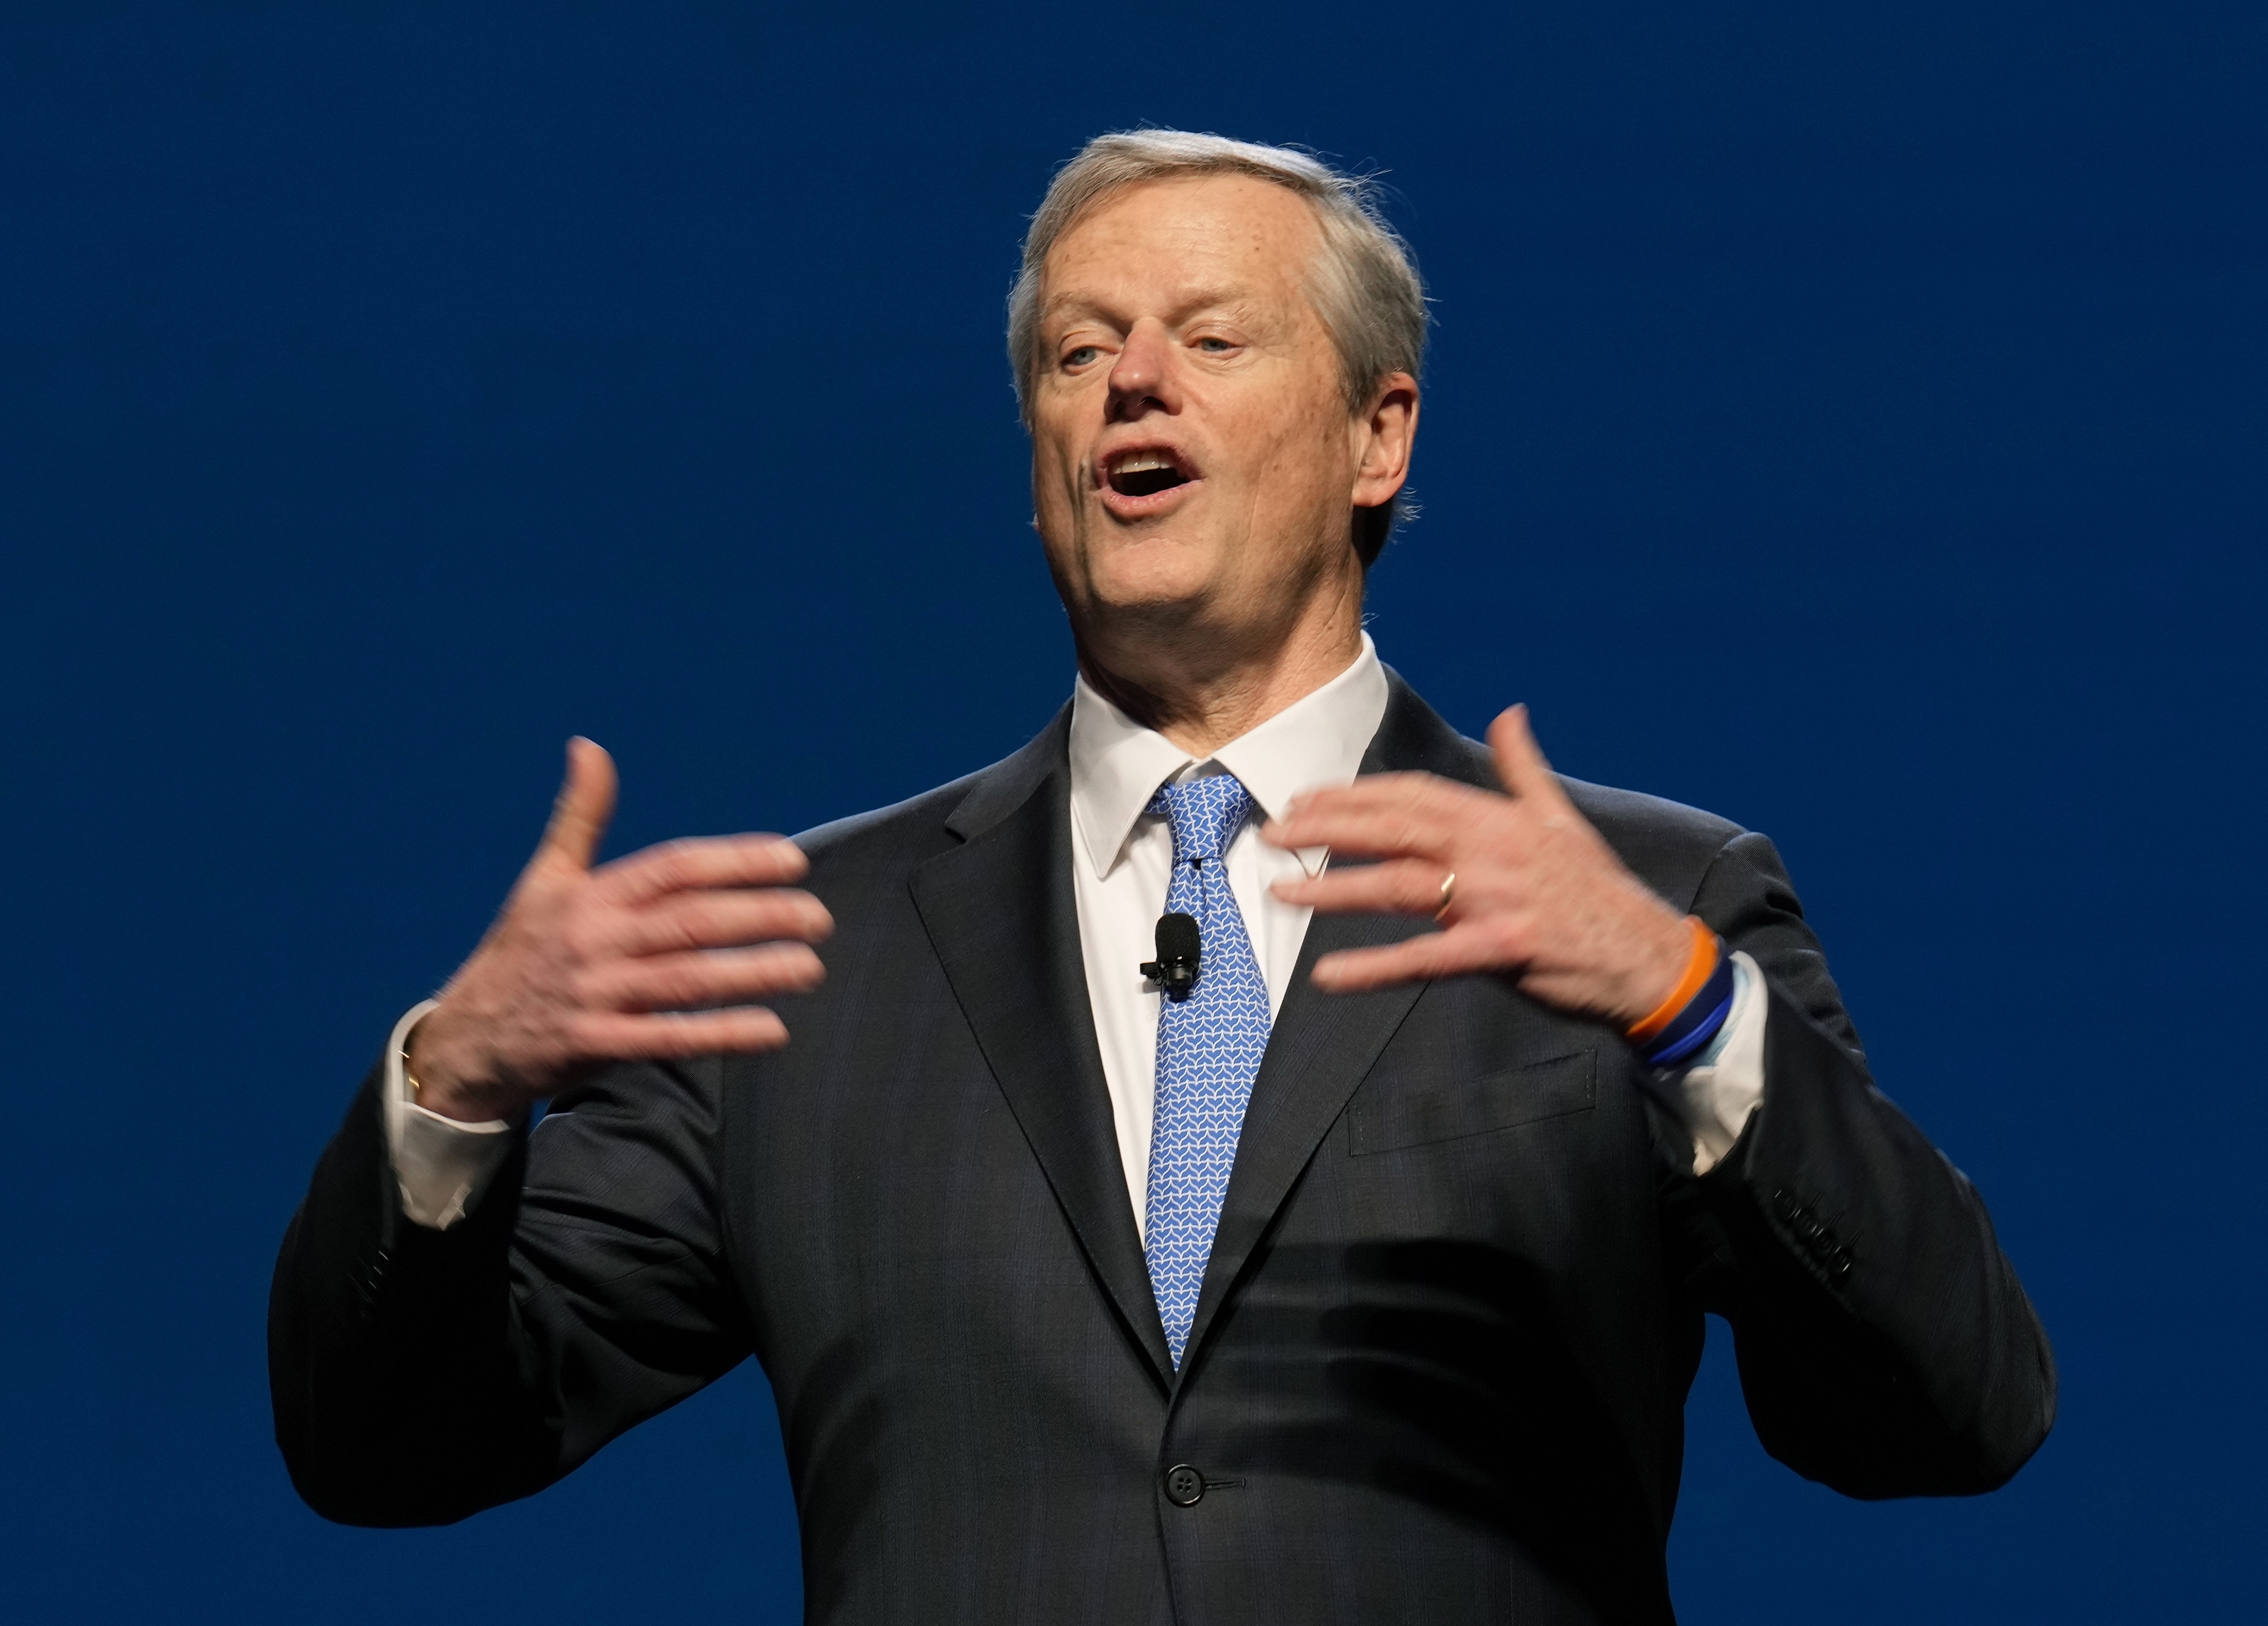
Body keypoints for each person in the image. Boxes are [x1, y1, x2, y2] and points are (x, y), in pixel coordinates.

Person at [270, 130, 2052, 1625]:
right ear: (1044, 464)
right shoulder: (812, 960)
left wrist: (1686, 1014)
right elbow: (390, 1451)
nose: (1134, 379)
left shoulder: (1642, 901)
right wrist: (453, 1090)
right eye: (1079, 349)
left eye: (1213, 336)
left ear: (1380, 437)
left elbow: (1949, 1408)